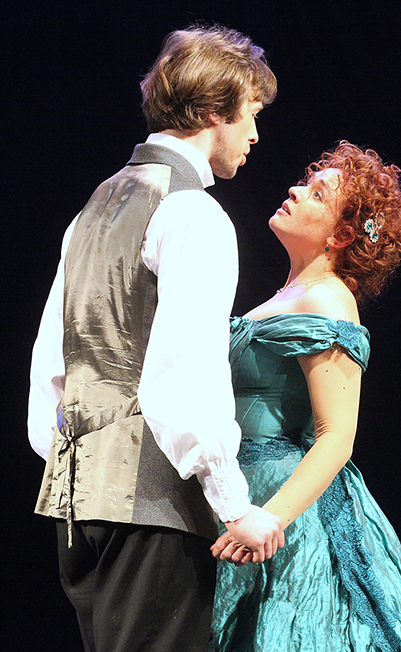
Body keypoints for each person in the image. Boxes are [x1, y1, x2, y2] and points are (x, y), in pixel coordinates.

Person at [28, 25, 284, 652]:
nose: (255, 135)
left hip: (76, 504)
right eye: (251, 114)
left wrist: (68, 463)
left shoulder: (93, 207)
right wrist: (234, 504)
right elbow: (184, 376)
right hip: (152, 506)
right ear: (214, 110)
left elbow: (52, 364)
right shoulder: (193, 212)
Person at [210, 141, 401, 651]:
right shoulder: (290, 295)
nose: (295, 191)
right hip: (245, 487)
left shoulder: (327, 300)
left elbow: (337, 436)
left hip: (286, 507)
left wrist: (273, 515)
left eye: (316, 194)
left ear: (342, 235)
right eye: (306, 183)